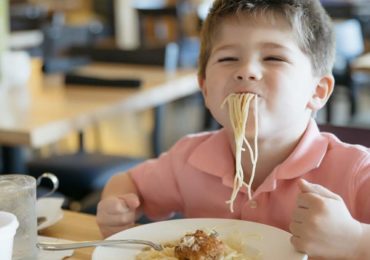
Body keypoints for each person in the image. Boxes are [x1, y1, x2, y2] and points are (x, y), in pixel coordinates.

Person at [97, 0, 370, 258]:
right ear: (205, 88)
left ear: (318, 90)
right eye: (228, 59)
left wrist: (355, 241)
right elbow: (128, 182)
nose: (247, 71)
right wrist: (116, 204)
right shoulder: (189, 158)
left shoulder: (355, 171)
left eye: (274, 57)